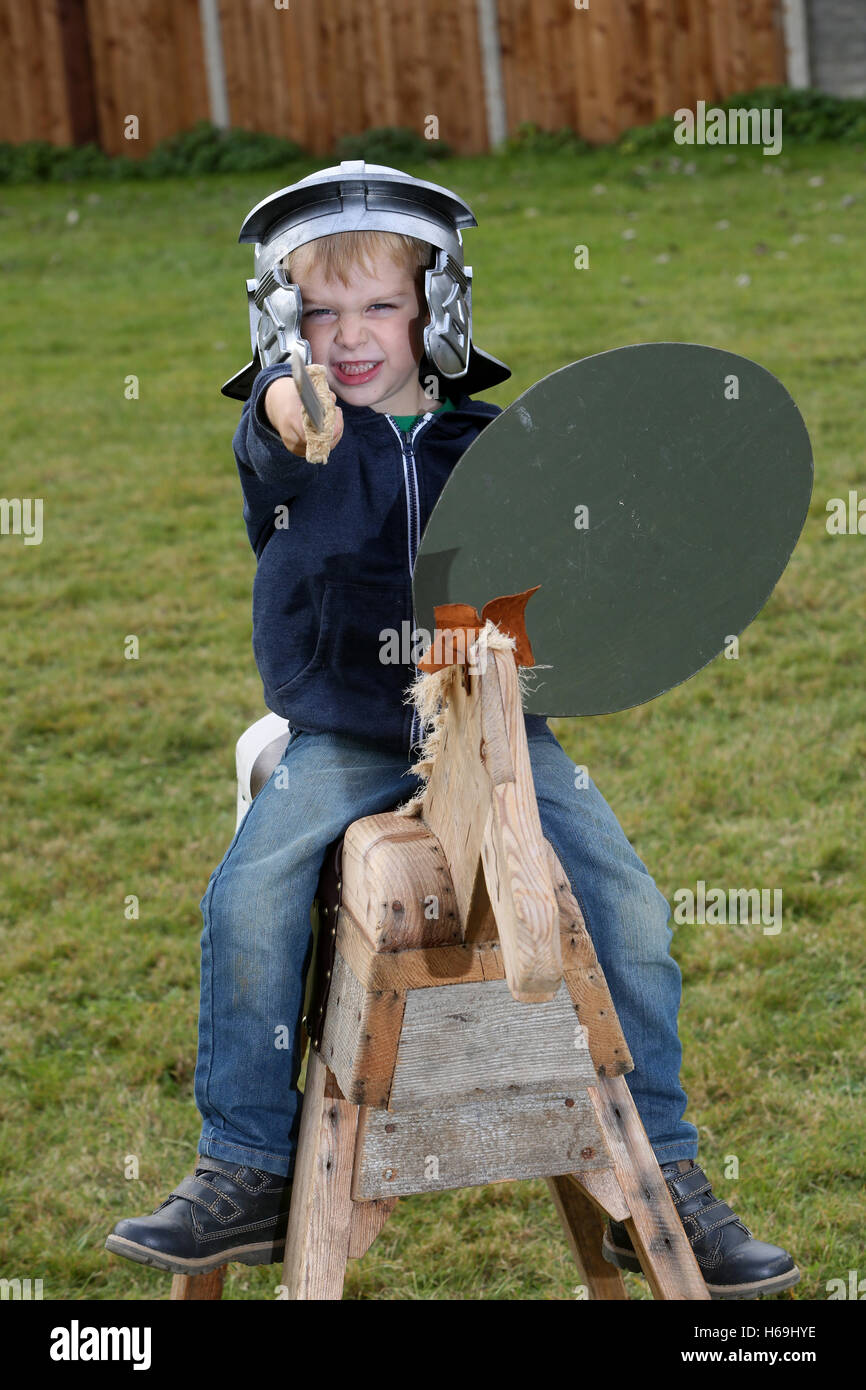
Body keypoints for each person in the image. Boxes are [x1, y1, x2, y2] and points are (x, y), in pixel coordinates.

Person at [105, 161, 799, 1299]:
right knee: (250, 893)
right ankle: (239, 1169)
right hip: (343, 736)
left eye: (378, 305)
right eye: (318, 314)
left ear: (436, 308)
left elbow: (572, 562)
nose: (350, 335)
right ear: (281, 325)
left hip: (499, 736)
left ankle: (665, 1179)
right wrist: (287, 400)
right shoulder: (290, 437)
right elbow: (276, 433)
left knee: (623, 904)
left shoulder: (491, 440)